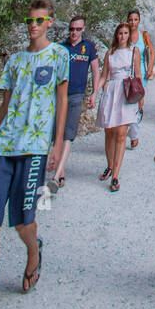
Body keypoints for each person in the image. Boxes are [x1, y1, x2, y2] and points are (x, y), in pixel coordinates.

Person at [0, 0, 69, 309]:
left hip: (36, 148)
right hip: (4, 147)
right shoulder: (14, 60)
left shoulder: (59, 56)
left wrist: (57, 146)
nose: (32, 25)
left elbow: (63, 100)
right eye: (29, 20)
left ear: (50, 22)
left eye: (39, 20)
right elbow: (5, 105)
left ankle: (33, 252)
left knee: (24, 223)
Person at [48, 15, 99, 190]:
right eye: (71, 29)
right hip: (58, 95)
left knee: (69, 134)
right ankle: (59, 172)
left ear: (83, 30)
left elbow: (95, 70)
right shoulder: (61, 48)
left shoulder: (89, 47)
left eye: (77, 29)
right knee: (58, 134)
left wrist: (94, 93)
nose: (74, 33)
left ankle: (57, 174)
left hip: (77, 95)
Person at [96, 23, 142, 192]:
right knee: (109, 131)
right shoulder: (110, 53)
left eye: (125, 33)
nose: (123, 36)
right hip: (112, 91)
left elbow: (138, 74)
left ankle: (115, 175)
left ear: (129, 35)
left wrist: (140, 97)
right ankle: (109, 165)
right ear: (116, 35)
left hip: (126, 91)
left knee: (121, 134)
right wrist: (95, 93)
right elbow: (103, 76)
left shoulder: (133, 52)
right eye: (120, 33)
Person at [126, 8, 155, 150]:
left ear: (139, 21)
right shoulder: (124, 34)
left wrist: (150, 68)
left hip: (141, 73)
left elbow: (152, 52)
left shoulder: (144, 35)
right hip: (126, 72)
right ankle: (132, 132)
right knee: (127, 101)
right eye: (131, 19)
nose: (133, 22)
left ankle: (134, 132)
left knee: (138, 102)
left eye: (135, 19)